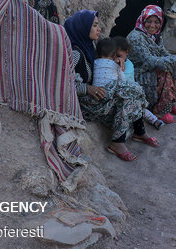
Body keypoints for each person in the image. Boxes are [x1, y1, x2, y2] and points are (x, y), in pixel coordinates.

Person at [64, 10, 158, 162]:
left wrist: (112, 64)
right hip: (86, 102)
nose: (99, 29)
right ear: (83, 27)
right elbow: (61, 82)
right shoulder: (75, 53)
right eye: (94, 25)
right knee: (129, 90)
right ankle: (119, 142)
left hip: (99, 96)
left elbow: (99, 68)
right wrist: (86, 88)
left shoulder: (88, 47)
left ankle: (133, 134)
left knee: (130, 95)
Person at [127, 5, 176, 124]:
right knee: (164, 70)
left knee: (171, 65)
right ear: (143, 20)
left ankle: (169, 103)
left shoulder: (155, 36)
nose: (152, 25)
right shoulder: (135, 37)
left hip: (150, 68)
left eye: (156, 22)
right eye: (149, 21)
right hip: (138, 73)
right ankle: (160, 111)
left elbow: (163, 53)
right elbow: (149, 61)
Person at [114, 36, 164, 130]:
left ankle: (154, 120)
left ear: (127, 52)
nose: (116, 58)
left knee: (140, 107)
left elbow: (124, 80)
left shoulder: (128, 65)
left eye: (118, 56)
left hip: (130, 92)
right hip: (122, 93)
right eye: (113, 56)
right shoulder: (113, 63)